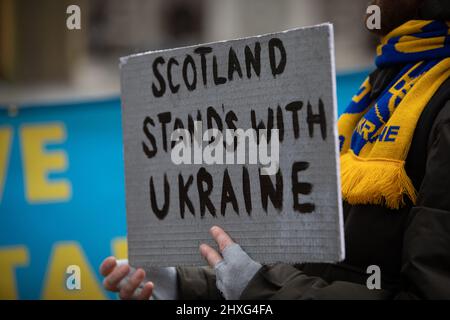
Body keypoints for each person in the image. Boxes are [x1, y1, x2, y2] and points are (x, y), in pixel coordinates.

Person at [100, 0, 450, 300]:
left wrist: (260, 288)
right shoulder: (396, 76)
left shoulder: (436, 101)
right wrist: (181, 286)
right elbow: (318, 271)